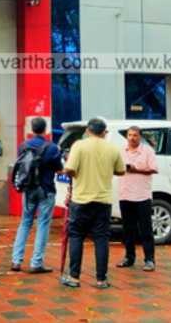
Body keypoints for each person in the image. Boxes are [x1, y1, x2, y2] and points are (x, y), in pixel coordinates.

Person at [61, 117, 125, 289]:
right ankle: (101, 279)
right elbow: (121, 171)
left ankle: (74, 277)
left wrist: (73, 177)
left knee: (76, 237)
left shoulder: (79, 146)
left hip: (81, 199)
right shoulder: (112, 149)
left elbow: (70, 169)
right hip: (103, 200)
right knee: (101, 239)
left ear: (87, 131)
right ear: (104, 132)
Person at [10, 117, 62, 273]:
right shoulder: (52, 148)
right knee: (43, 225)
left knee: (25, 223)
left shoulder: (23, 146)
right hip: (46, 190)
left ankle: (16, 261)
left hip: (28, 189)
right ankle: (36, 263)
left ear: (32, 129)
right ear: (45, 129)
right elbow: (59, 170)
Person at [116, 127, 159, 272]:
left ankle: (149, 259)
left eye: (135, 135)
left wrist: (136, 169)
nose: (132, 138)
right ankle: (129, 257)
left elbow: (153, 168)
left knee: (146, 229)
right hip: (125, 195)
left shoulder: (147, 151)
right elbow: (114, 168)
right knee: (128, 228)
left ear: (140, 137)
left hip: (142, 196)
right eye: (129, 135)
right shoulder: (121, 151)